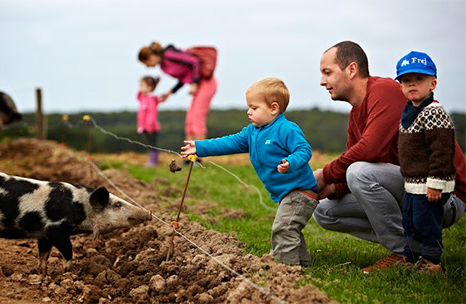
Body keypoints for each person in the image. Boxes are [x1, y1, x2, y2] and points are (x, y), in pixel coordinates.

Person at [312, 41, 466, 273]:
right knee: (324, 211)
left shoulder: (385, 91)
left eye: (327, 72)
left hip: (445, 196)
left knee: (359, 172)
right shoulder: (356, 114)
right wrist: (333, 188)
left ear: (351, 70)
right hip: (410, 191)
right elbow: (361, 158)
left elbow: (368, 150)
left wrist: (325, 174)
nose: (322, 81)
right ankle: (413, 247)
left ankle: (404, 254)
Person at [181, 77, 319, 266]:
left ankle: (284, 268)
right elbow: (229, 143)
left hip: (300, 190)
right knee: (288, 227)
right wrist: (200, 146)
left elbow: (304, 150)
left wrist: (291, 162)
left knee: (283, 228)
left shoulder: (286, 129)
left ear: (273, 108)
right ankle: (301, 263)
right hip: (285, 192)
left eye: (254, 108)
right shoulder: (252, 132)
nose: (249, 112)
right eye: (249, 107)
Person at [396, 51, 456, 273]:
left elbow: (441, 151)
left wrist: (436, 182)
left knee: (426, 223)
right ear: (401, 86)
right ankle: (412, 258)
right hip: (413, 184)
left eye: (419, 79)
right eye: (406, 81)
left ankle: (432, 261)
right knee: (410, 222)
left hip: (430, 184)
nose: (412, 85)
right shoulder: (409, 111)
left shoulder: (434, 112)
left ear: (433, 83)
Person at [138, 42, 217, 143]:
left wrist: (195, 83)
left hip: (207, 83)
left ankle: (199, 156)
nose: (148, 66)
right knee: (190, 122)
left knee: (197, 120)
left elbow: (194, 61)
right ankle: (190, 157)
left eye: (146, 63)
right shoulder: (163, 66)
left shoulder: (168, 55)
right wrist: (170, 93)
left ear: (150, 57)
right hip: (198, 86)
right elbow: (183, 77)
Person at [137, 76, 161, 167]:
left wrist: (150, 126)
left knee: (152, 144)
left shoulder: (151, 99)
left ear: (149, 87)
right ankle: (151, 160)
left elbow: (152, 113)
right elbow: (138, 96)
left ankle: (153, 161)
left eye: (142, 85)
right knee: (148, 144)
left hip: (151, 127)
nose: (140, 87)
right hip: (144, 126)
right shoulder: (143, 98)